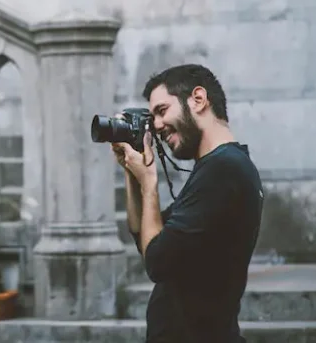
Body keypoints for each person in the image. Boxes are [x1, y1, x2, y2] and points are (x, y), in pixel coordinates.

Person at [112, 64, 264, 343]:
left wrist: (149, 182)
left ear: (198, 99)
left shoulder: (224, 170)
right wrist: (131, 172)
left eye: (162, 111)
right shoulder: (217, 168)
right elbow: (147, 239)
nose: (157, 126)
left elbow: (156, 262)